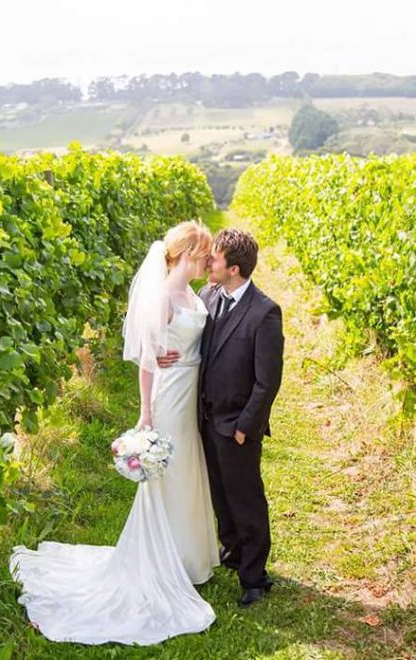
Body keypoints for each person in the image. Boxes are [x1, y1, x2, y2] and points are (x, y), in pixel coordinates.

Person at [9, 221, 220, 645]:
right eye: (203, 255)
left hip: (190, 387)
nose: (207, 262)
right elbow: (146, 358)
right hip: (170, 394)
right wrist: (145, 412)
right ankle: (167, 561)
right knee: (171, 472)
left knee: (187, 468)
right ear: (187, 254)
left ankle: (188, 556)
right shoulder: (162, 296)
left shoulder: (191, 294)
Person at [158, 228, 284, 608]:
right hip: (204, 417)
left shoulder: (265, 312)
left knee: (245, 498)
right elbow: (195, 341)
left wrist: (247, 426)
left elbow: (267, 381)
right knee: (219, 494)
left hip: (237, 426)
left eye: (214, 258)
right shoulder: (209, 295)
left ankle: (254, 577)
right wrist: (167, 353)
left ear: (234, 267)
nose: (207, 262)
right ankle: (232, 553)